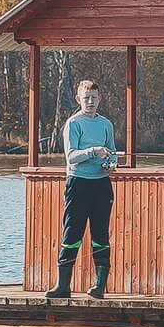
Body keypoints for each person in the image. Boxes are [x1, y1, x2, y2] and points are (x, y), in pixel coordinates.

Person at [50, 79, 116, 299]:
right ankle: (63, 287)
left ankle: (99, 287)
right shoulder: (73, 123)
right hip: (78, 183)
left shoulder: (106, 124)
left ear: (100, 99)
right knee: (72, 232)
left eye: (94, 98)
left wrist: (111, 164)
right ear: (79, 99)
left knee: (100, 234)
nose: (90, 102)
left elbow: (113, 153)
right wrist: (94, 151)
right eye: (86, 98)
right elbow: (72, 156)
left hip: (101, 185)